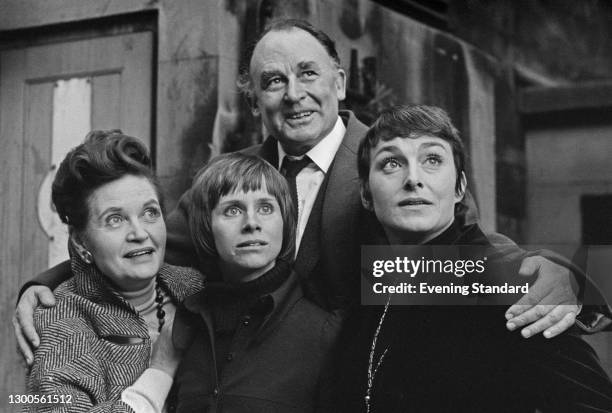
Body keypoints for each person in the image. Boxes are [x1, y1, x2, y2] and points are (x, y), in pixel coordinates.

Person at [14, 19, 595, 364]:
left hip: (361, 383)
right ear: (255, 99)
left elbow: (462, 250)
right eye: (273, 82)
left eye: (309, 74)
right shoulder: (229, 178)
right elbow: (148, 243)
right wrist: (50, 280)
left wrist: (555, 271)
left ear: (339, 82)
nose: (293, 95)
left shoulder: (387, 162)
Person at [333, 105, 612, 412]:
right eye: (391, 163)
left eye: (432, 160)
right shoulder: (370, 291)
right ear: (366, 195)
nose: (413, 178)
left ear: (459, 188)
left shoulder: (508, 282)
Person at [25, 131, 204, 412]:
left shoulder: (197, 287)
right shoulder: (62, 322)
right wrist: (160, 370)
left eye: (149, 212)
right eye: (115, 219)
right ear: (81, 243)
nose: (139, 233)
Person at [168, 153, 339, 412]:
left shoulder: (325, 335)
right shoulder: (185, 324)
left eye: (266, 208)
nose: (252, 224)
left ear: (285, 222)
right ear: (206, 226)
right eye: (233, 210)